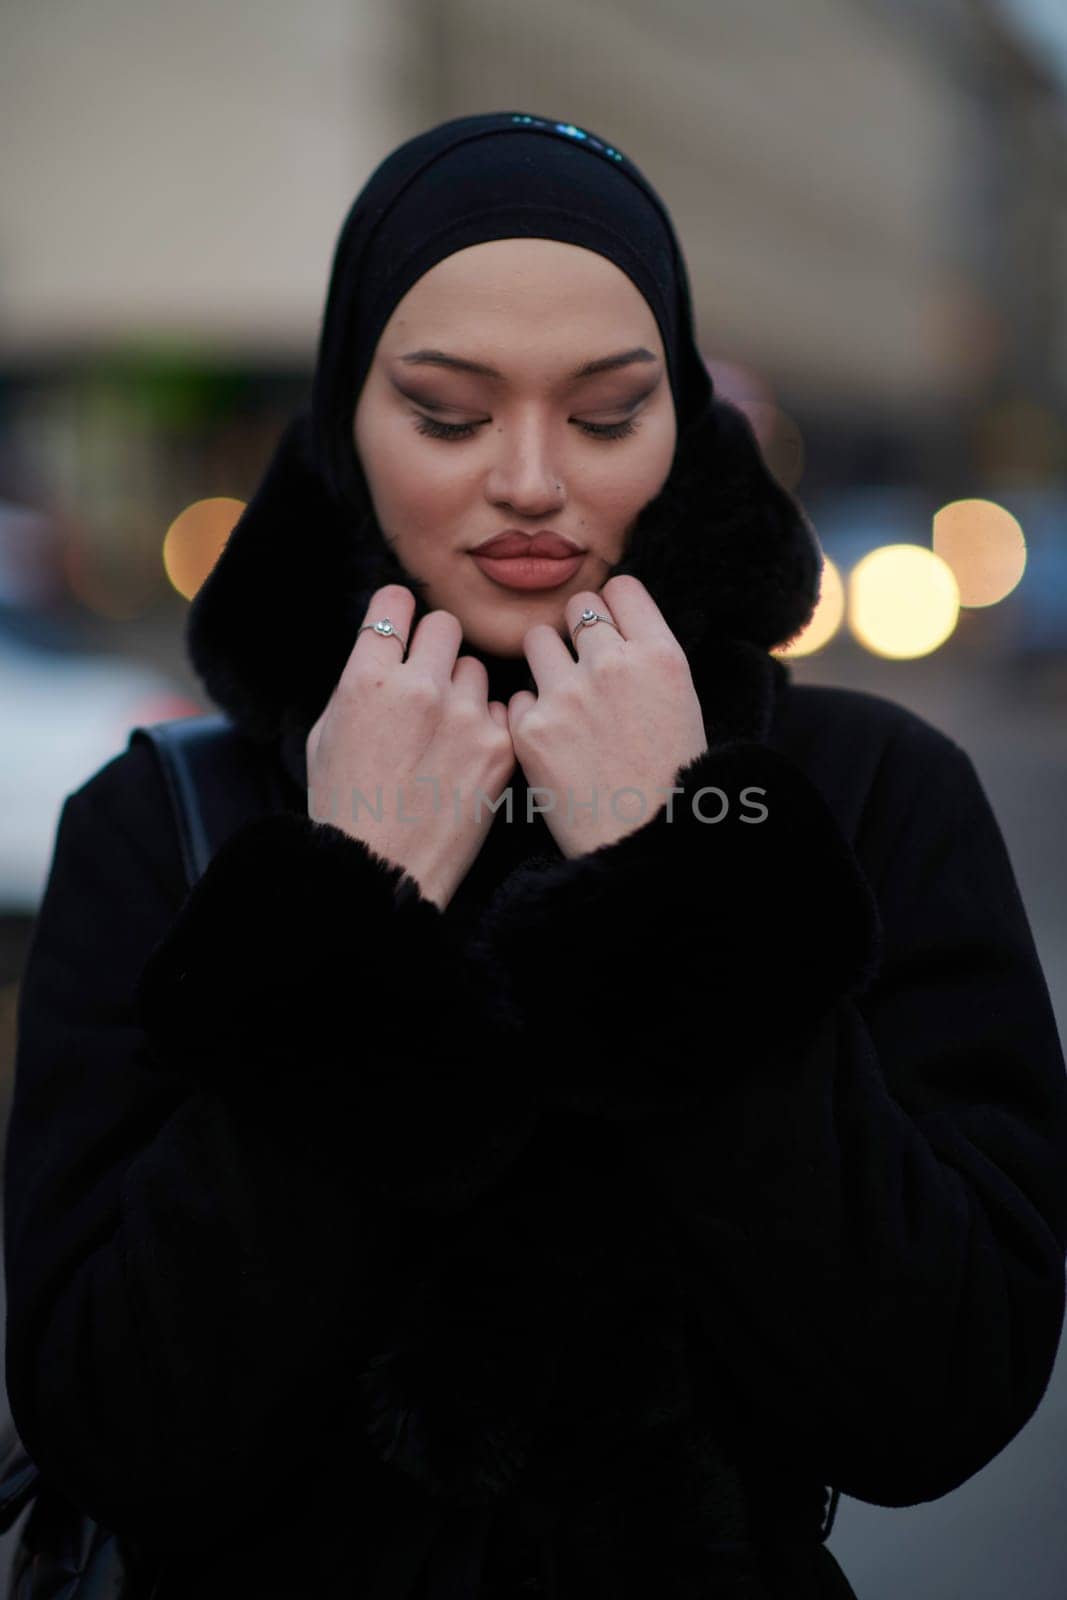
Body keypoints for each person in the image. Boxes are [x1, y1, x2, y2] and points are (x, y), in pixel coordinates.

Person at [5, 108, 1067, 1600]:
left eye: (606, 412)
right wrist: (346, 909)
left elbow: (940, 1391)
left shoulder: (864, 793)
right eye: (446, 413)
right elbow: (115, 1425)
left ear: (686, 432)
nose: (527, 478)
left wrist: (675, 881)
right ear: (342, 427)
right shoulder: (166, 816)